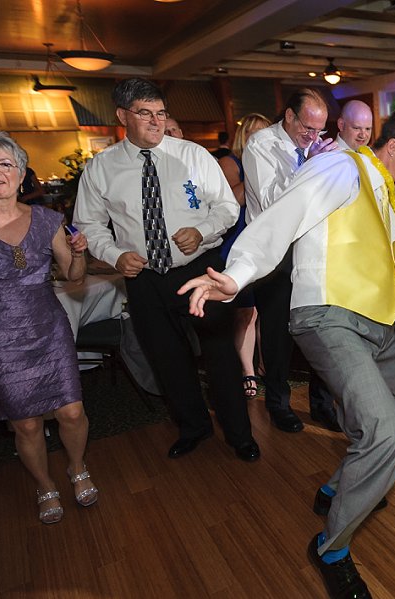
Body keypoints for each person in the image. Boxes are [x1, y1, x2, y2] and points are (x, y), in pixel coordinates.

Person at [179, 109, 395, 599]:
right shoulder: (341, 167)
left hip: (377, 323)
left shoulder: (389, 202)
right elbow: (284, 214)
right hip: (328, 315)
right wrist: (237, 273)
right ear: (390, 147)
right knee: (383, 431)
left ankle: (336, 489)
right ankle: (331, 547)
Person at [74, 78, 259, 462]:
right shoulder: (101, 168)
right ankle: (194, 427)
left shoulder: (193, 156)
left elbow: (227, 208)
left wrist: (202, 231)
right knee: (167, 358)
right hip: (142, 279)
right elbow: (88, 224)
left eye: (160, 113)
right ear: (122, 116)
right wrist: (114, 254)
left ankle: (240, 434)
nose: (156, 122)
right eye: (145, 113)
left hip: (198, 271)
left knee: (220, 353)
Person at [0, 131, 98, 523]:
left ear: (21, 175)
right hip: (0, 339)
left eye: (5, 164)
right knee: (26, 422)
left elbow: (73, 277)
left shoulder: (47, 218)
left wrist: (78, 255)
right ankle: (44, 484)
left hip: (47, 327)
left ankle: (76, 466)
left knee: (71, 411)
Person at [242, 87, 338, 432]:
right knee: (278, 333)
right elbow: (272, 202)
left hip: (313, 250)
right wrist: (310, 168)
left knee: (319, 329)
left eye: (319, 130)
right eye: (307, 129)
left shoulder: (316, 145)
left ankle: (323, 404)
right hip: (275, 255)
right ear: (289, 116)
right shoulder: (260, 146)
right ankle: (278, 403)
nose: (313, 137)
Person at [218, 113, 272, 398]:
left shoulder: (271, 161)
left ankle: (263, 364)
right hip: (237, 242)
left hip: (264, 242)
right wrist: (254, 168)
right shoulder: (230, 162)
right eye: (252, 133)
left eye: (264, 133)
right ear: (243, 136)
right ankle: (246, 370)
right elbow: (232, 200)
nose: (258, 139)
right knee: (244, 312)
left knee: (262, 310)